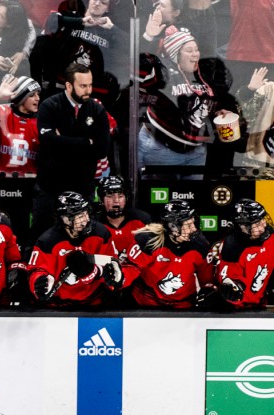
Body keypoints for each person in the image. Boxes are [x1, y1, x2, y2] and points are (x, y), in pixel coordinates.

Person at [139, 27, 235, 179]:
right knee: (160, 199)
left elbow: (204, 103)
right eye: (189, 51)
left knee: (193, 198)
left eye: (196, 50)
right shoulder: (161, 71)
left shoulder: (202, 74)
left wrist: (217, 112)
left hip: (196, 152)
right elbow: (138, 66)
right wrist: (148, 37)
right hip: (162, 149)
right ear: (175, 54)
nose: (195, 54)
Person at [33, 63, 110, 238]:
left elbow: (101, 148)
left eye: (90, 85)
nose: (88, 90)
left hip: (83, 187)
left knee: (86, 236)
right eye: (83, 86)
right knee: (42, 234)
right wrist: (86, 142)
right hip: (50, 187)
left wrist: (63, 140)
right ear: (69, 85)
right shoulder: (49, 106)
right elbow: (48, 141)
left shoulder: (97, 110)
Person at [28, 191, 123, 307]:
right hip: (58, 306)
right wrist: (39, 283)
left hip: (94, 304)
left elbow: (112, 263)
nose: (86, 219)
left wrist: (108, 273)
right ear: (65, 219)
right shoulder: (47, 241)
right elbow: (36, 271)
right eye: (79, 216)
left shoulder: (101, 233)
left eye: (86, 213)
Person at [120, 200, 214, 308]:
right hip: (147, 305)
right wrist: (119, 278)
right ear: (172, 226)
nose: (193, 229)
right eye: (188, 225)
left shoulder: (200, 244)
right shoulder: (148, 241)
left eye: (193, 222)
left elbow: (207, 280)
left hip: (184, 305)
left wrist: (208, 292)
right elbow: (129, 270)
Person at [211, 199, 274, 309]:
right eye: (257, 224)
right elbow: (232, 288)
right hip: (239, 310)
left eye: (263, 220)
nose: (263, 227)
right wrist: (233, 288)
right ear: (243, 227)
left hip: (262, 303)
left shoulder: (269, 234)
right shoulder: (232, 247)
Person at [94, 175, 152, 261]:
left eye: (120, 196)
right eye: (110, 196)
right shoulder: (94, 225)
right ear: (101, 199)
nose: (116, 200)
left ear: (126, 198)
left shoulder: (142, 219)